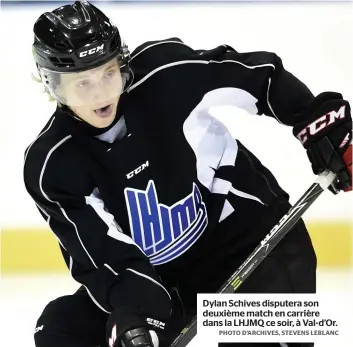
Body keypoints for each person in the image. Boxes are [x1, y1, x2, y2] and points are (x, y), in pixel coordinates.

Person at [24, 1, 352, 347]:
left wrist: (316, 120)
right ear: (53, 87)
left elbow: (259, 75)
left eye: (108, 73)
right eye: (82, 84)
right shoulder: (52, 166)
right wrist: (137, 314)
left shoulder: (164, 74)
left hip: (248, 243)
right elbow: (104, 256)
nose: (101, 93)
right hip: (160, 281)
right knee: (61, 330)